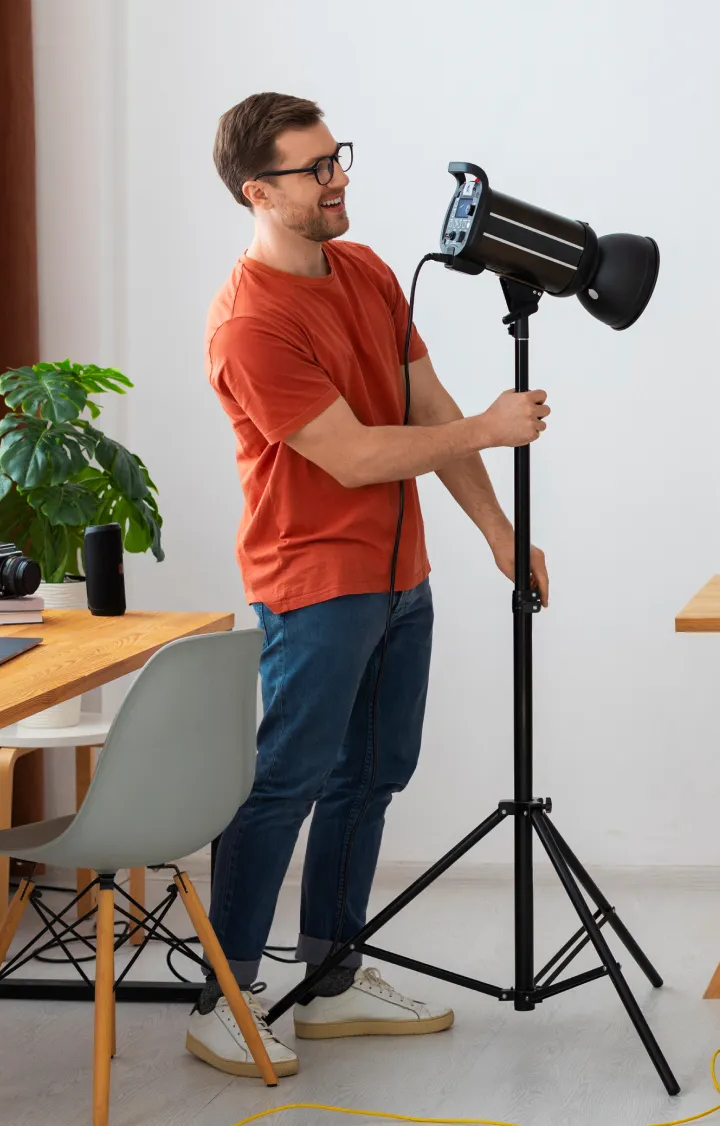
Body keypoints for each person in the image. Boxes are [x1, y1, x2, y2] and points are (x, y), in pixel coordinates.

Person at [192, 93, 552, 1077]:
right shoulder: (249, 323)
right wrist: (485, 428)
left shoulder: (367, 271)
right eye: (314, 169)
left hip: (402, 575)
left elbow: (424, 407)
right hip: (315, 583)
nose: (338, 177)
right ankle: (226, 996)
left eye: (336, 157)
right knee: (286, 785)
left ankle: (333, 981)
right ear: (257, 192)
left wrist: (496, 530)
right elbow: (351, 456)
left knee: (372, 776)